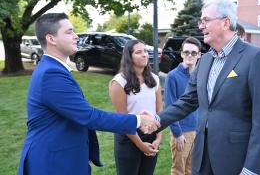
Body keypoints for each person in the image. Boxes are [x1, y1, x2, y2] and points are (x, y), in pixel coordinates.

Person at [18, 13, 159, 175]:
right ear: (51, 39)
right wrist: (138, 120)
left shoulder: (52, 69)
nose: (76, 36)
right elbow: (88, 116)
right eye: (69, 32)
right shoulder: (51, 74)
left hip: (63, 159)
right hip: (52, 163)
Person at [155, 0, 260, 175]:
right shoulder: (204, 60)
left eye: (206, 20)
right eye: (200, 21)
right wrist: (158, 120)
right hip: (202, 157)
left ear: (226, 22)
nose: (201, 26)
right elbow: (188, 101)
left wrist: (252, 169)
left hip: (235, 160)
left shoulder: (255, 57)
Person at [109, 39, 163, 175]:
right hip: (129, 138)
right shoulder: (119, 82)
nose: (145, 54)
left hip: (151, 135)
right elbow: (123, 118)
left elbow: (159, 111)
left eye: (145, 51)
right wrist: (140, 145)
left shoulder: (154, 79)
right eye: (139, 52)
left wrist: (158, 138)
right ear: (129, 57)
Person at [164, 37, 201, 175]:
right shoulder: (172, 76)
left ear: (199, 55)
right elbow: (170, 107)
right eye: (186, 52)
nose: (190, 55)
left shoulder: (200, 75)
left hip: (198, 130)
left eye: (193, 52)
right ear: (181, 54)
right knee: (178, 170)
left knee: (192, 170)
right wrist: (177, 133)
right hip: (182, 132)